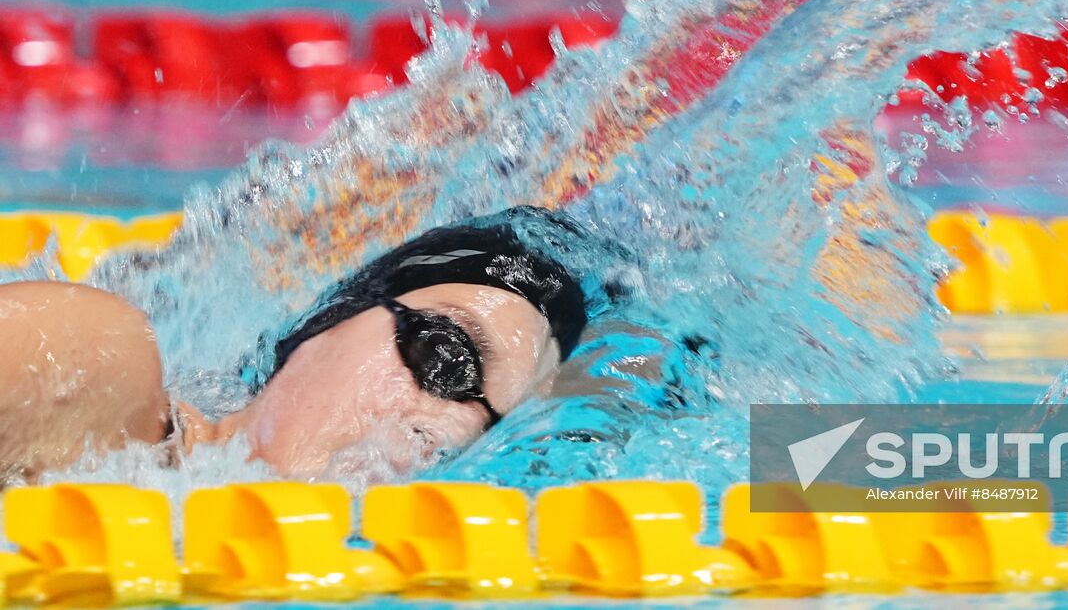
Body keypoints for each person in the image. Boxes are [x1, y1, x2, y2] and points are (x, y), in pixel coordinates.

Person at [0, 206, 621, 483]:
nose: (447, 431)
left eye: (488, 432)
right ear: (329, 322)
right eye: (446, 356)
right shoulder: (103, 367)